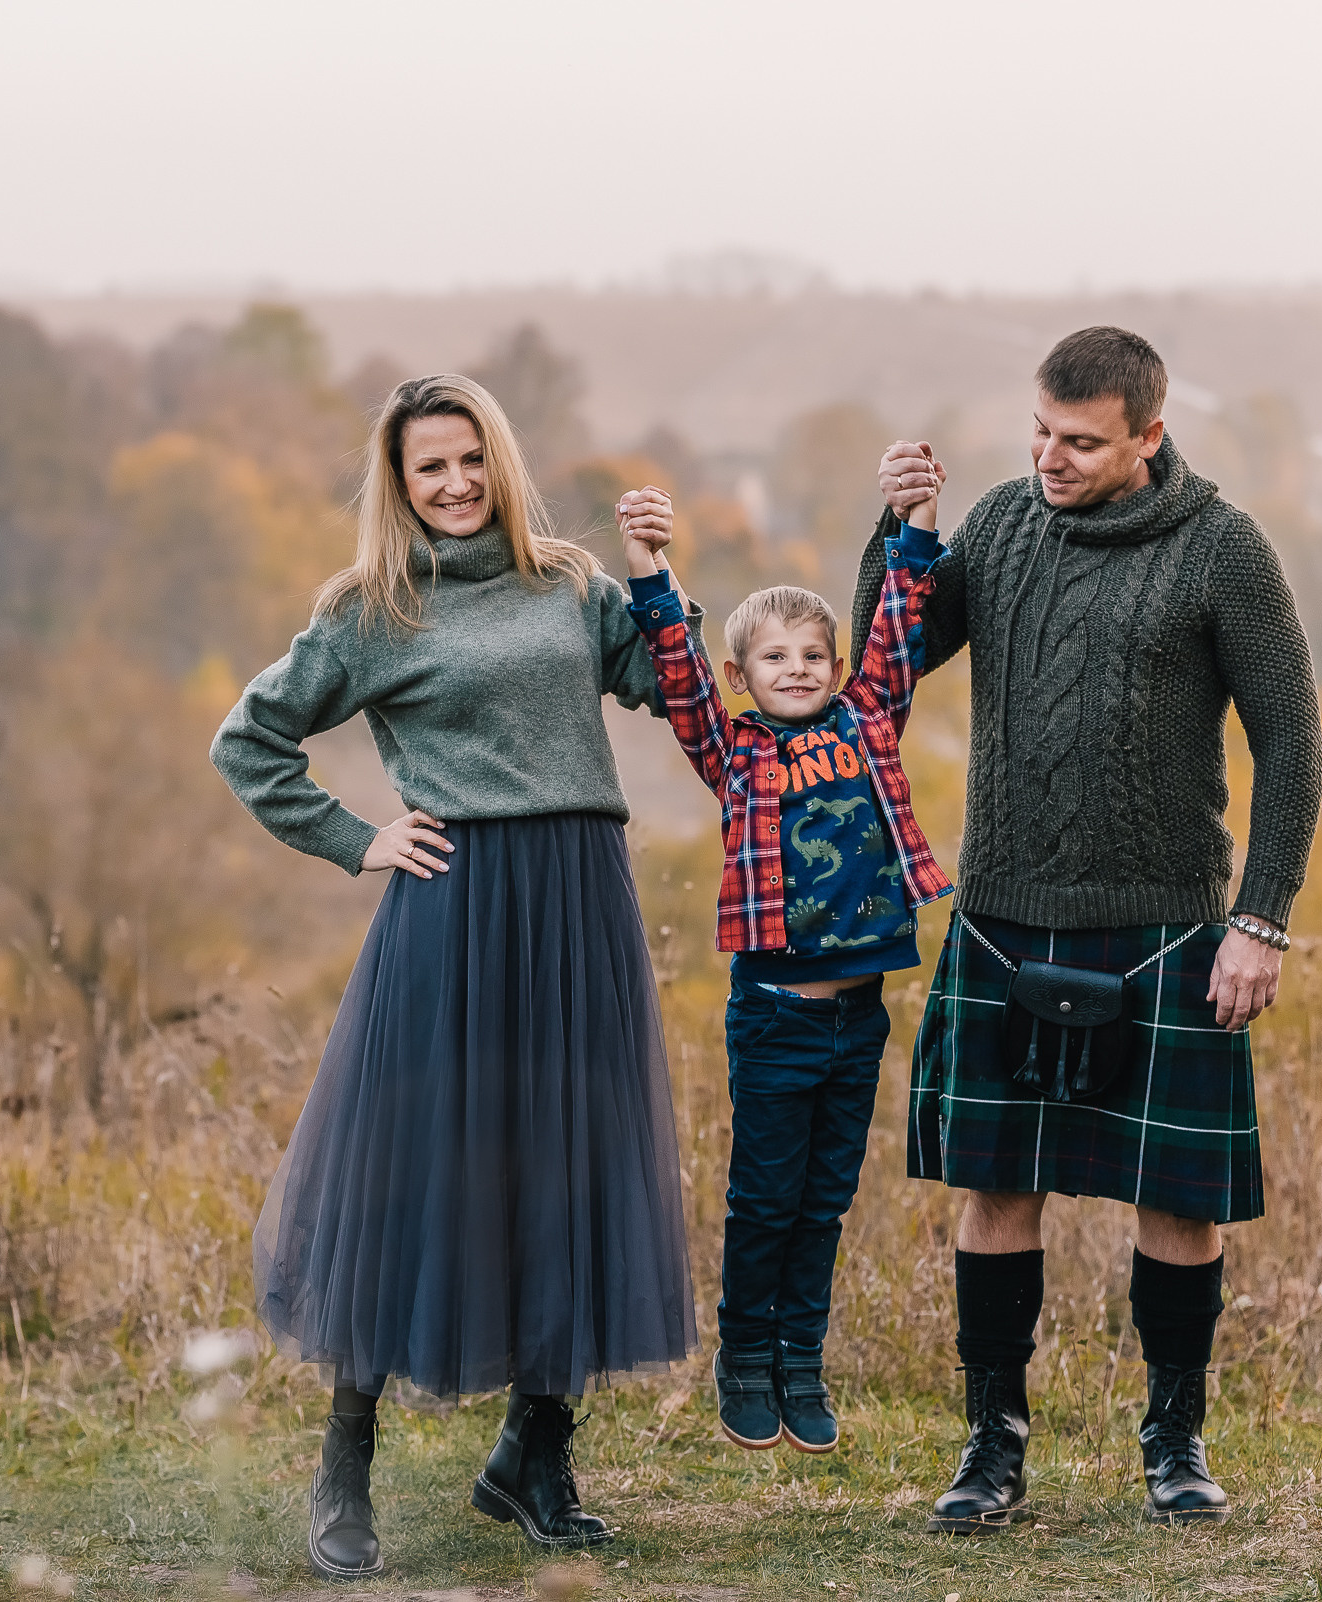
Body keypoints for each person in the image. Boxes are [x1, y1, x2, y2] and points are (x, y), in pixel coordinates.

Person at [210, 374, 698, 1579]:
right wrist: (358, 838)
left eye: (473, 459)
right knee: (411, 1174)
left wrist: (654, 572)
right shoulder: (373, 609)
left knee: (572, 1160)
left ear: (503, 461)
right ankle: (345, 1463)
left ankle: (536, 1455)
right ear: (400, 484)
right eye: (431, 467)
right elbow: (249, 740)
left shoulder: (570, 582)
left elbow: (664, 684)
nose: (457, 484)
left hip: (581, 896)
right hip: (457, 909)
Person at [855, 326, 1322, 1531]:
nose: (1050, 458)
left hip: (1169, 926)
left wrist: (1260, 919)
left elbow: (1294, 746)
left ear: (1148, 437)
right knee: (995, 1185)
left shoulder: (1223, 550)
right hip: (1006, 915)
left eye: (1080, 442)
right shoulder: (1005, 525)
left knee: (1177, 1200)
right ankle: (992, 1443)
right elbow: (887, 667)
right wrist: (896, 536)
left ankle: (1174, 1437)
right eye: (1040, 433)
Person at [615, 475, 951, 1459]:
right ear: (742, 673)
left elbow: (900, 623)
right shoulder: (734, 752)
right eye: (774, 657)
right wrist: (650, 561)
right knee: (765, 1201)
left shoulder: (869, 722)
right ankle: (743, 1364)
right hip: (773, 1017)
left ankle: (801, 1360)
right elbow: (672, 671)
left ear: (837, 666)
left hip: (859, 1020)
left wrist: (916, 519)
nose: (797, 669)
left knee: (825, 1201)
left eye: (813, 655)